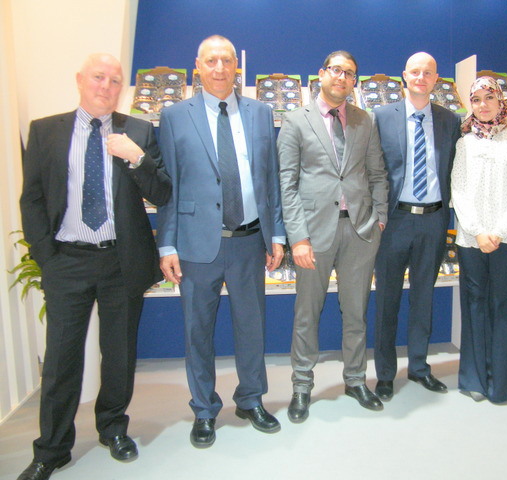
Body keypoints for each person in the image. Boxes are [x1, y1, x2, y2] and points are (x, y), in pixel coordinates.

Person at [18, 53, 172, 480]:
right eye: (99, 77)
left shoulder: (138, 130)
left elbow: (162, 193)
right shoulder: (46, 131)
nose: (106, 86)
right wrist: (47, 258)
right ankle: (52, 449)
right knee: (61, 358)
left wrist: (137, 158)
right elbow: (32, 199)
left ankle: (113, 428)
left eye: (115, 80)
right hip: (67, 261)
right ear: (80, 80)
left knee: (119, 353)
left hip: (121, 261)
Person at [156, 35, 285, 445]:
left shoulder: (261, 113)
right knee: (198, 331)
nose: (219, 68)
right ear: (198, 66)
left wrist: (276, 234)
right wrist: (167, 244)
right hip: (196, 244)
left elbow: (270, 180)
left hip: (249, 240)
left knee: (252, 327)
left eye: (226, 61)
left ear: (236, 67)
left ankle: (251, 399)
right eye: (211, 61)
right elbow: (168, 187)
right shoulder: (174, 116)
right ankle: (204, 409)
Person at [278, 50, 388, 422]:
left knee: (356, 312)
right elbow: (287, 184)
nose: (342, 77)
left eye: (349, 73)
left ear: (354, 81)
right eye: (336, 70)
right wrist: (298, 238)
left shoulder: (364, 120)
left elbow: (377, 173)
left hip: (359, 231)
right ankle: (301, 386)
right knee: (307, 314)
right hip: (313, 234)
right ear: (321, 73)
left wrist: (380, 219)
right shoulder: (295, 120)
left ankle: (356, 380)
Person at [373, 52, 460, 401]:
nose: (421, 78)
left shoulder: (450, 120)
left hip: (434, 220)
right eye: (415, 72)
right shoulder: (382, 117)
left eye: (428, 73)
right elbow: (372, 170)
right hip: (394, 221)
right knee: (387, 300)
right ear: (404, 76)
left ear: (436, 79)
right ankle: (384, 374)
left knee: (424, 298)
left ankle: (420, 368)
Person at [451, 77, 507, 404]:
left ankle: (501, 383)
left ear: (501, 101)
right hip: (472, 239)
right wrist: (477, 230)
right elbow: (458, 189)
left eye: (489, 97)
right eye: (476, 99)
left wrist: (499, 231)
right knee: (474, 306)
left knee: (504, 308)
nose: (483, 105)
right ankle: (474, 378)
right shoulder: (465, 143)